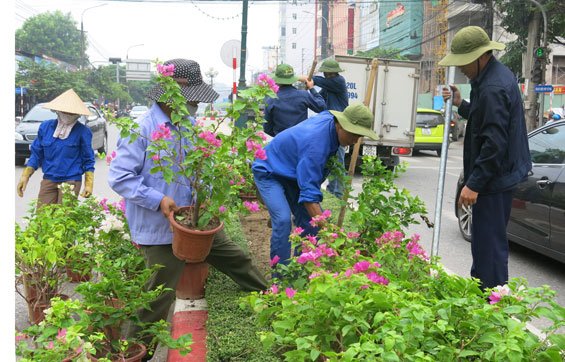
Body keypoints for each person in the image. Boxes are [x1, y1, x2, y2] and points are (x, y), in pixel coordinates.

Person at [107, 58, 267, 357]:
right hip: (159, 229)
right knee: (156, 300)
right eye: (191, 96)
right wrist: (159, 200)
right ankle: (129, 355)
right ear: (173, 94)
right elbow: (119, 177)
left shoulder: (188, 125)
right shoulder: (143, 129)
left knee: (236, 258)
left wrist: (206, 195)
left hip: (195, 221)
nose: (195, 103)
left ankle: (269, 299)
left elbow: (198, 170)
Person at [439, 26, 532, 291]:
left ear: (481, 56)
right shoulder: (490, 78)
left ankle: (491, 308)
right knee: (484, 244)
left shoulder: (492, 86)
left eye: (464, 62)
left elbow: (494, 143)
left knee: (488, 248)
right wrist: (461, 103)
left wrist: (474, 183)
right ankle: (486, 302)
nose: (461, 69)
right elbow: (485, 122)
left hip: (494, 179)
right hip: (497, 176)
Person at [252, 103, 378, 265]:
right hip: (269, 170)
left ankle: (303, 269)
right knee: (283, 221)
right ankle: (281, 278)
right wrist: (330, 234)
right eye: (353, 134)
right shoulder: (316, 146)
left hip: (293, 173)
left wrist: (321, 227)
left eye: (359, 136)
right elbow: (309, 197)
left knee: (310, 225)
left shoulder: (330, 120)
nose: (355, 140)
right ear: (339, 125)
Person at [16, 89, 95, 205]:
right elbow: (37, 154)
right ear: (57, 111)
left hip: (71, 180)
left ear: (78, 114)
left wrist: (89, 183)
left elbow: (88, 159)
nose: (68, 115)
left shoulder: (83, 132)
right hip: (49, 178)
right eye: (65, 111)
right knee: (42, 216)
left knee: (64, 217)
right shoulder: (45, 127)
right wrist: (25, 176)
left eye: (72, 113)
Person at [300, 59, 350, 199]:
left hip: (340, 126)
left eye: (328, 73)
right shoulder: (329, 87)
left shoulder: (338, 81)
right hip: (330, 126)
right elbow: (319, 100)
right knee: (329, 160)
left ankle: (338, 194)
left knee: (338, 161)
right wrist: (308, 94)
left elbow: (317, 81)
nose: (327, 75)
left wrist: (308, 81)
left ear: (333, 73)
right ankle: (331, 190)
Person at [263, 63, 326, 137]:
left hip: (281, 142)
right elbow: (322, 107)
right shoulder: (303, 95)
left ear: (276, 81)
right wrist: (311, 88)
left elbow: (267, 129)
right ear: (293, 79)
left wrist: (278, 136)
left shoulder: (271, 100)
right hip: (301, 140)